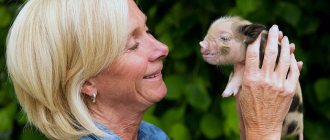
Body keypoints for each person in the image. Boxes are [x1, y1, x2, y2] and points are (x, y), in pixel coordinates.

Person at [6, 0, 302, 139]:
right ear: (85, 81)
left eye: (146, 31)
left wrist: (254, 120)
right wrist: (262, 131)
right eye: (133, 44)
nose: (162, 48)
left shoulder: (150, 136)